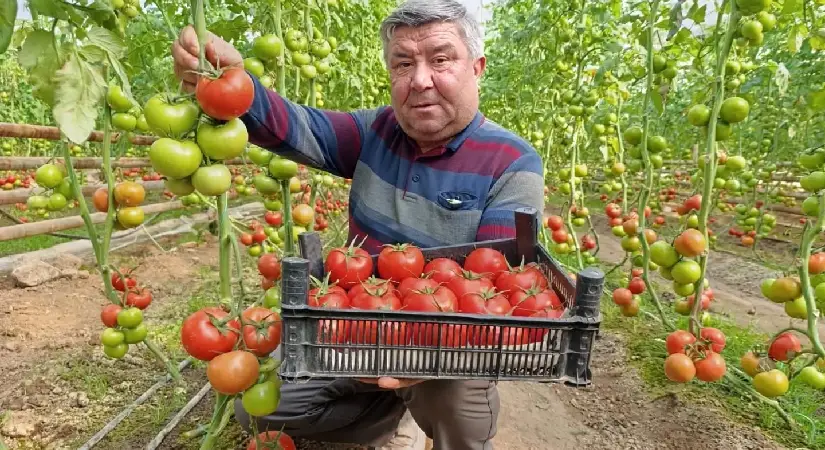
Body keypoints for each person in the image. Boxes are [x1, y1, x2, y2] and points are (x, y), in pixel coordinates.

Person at [172, 0, 544, 448]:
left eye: (441, 60)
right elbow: (298, 127)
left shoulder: (513, 162)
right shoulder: (376, 132)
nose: (420, 80)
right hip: (356, 323)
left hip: (446, 340)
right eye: (403, 64)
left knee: (459, 415)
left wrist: (422, 361)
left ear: (476, 68)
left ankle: (426, 412)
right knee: (261, 410)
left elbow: (494, 290)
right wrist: (236, 83)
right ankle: (385, 420)